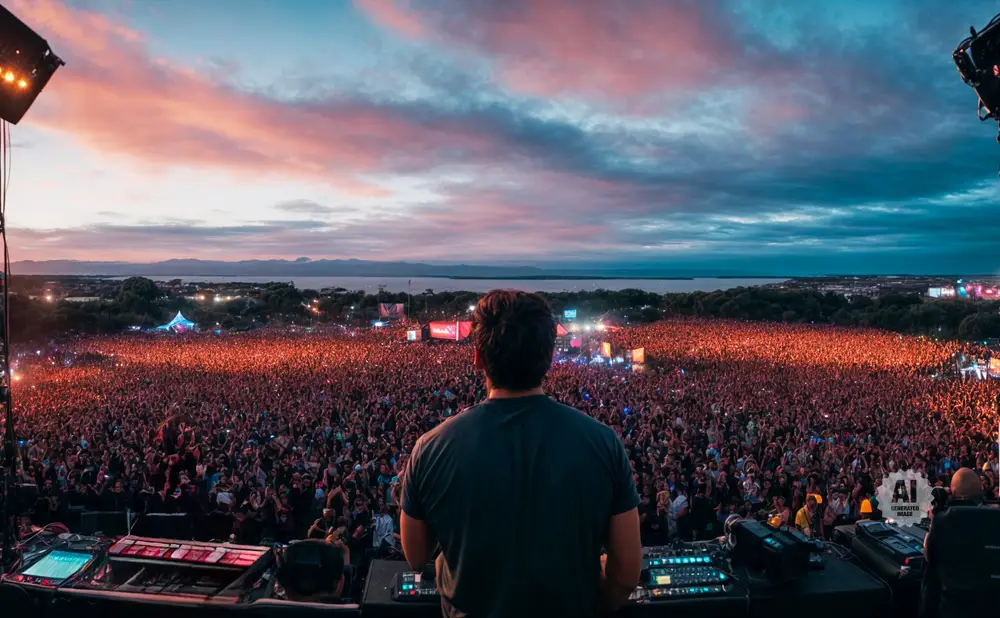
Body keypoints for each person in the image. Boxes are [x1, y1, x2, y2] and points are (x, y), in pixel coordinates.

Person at [400, 290, 642, 618]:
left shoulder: (430, 447)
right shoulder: (603, 442)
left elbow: (415, 556)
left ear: (478, 358)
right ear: (549, 359)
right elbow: (626, 572)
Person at [920, 468, 1000, 618]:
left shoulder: (943, 522)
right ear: (980, 491)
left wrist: (933, 523)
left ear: (953, 491)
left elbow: (930, 580)